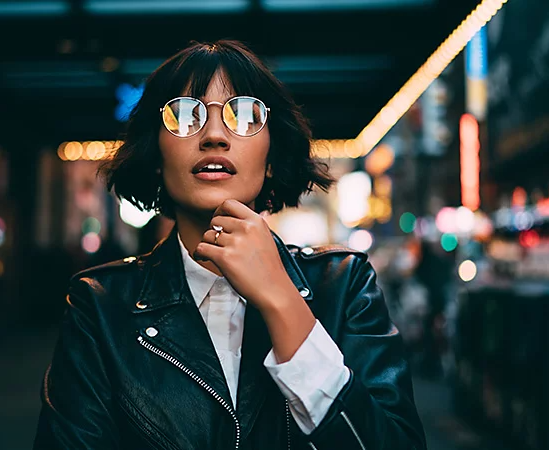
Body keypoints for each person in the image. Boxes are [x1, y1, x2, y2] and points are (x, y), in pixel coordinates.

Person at [33, 40, 426, 450]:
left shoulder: (345, 286)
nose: (215, 135)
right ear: (155, 155)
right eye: (186, 116)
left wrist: (281, 298)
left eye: (244, 114)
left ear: (271, 156)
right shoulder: (100, 304)